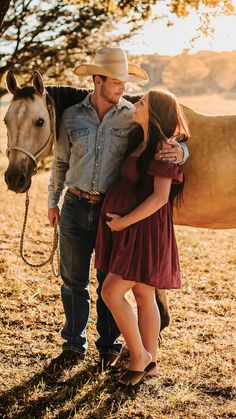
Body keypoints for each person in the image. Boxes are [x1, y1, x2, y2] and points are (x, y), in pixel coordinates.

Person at [47, 47, 189, 371]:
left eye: (126, 81)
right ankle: (73, 345)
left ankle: (110, 347)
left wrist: (180, 152)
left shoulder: (131, 114)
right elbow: (60, 162)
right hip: (74, 204)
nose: (124, 88)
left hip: (112, 215)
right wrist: (52, 201)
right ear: (97, 80)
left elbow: (168, 130)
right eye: (116, 81)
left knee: (107, 283)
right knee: (72, 280)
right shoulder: (72, 116)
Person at [95, 87, 190, 385]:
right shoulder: (141, 140)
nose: (136, 104)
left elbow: (160, 197)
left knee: (110, 292)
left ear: (156, 112)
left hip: (144, 229)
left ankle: (139, 355)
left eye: (143, 102)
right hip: (135, 228)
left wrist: (124, 223)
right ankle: (150, 364)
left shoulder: (164, 148)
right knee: (143, 294)